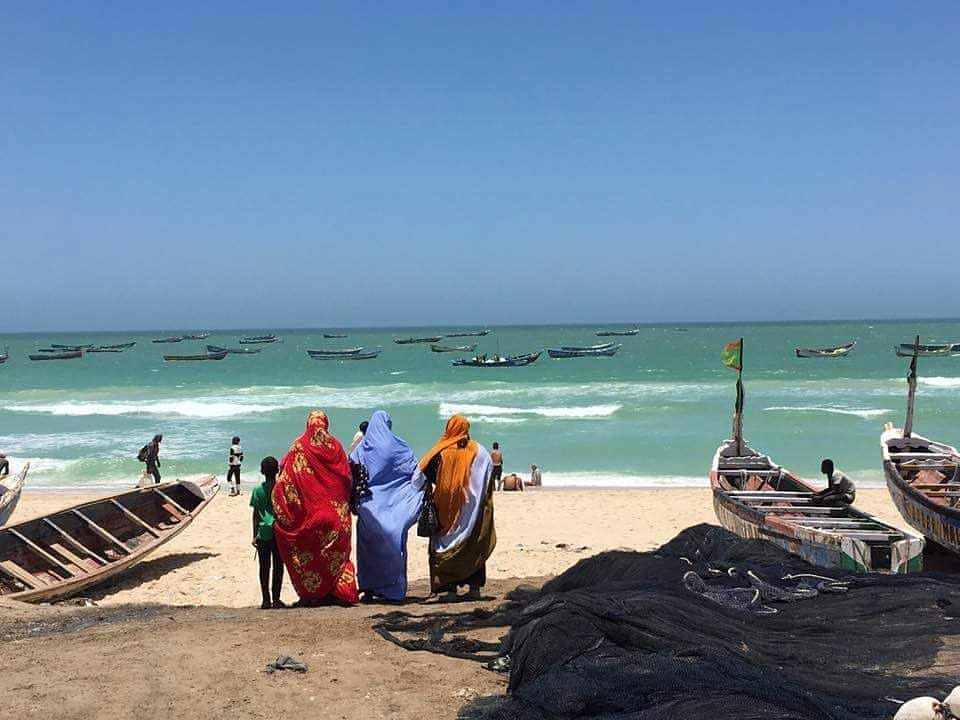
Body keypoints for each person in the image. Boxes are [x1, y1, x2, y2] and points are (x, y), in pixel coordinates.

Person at [271, 411, 359, 606]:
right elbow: (346, 478)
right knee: (338, 557)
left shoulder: (299, 446)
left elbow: (286, 484)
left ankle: (314, 594)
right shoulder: (335, 446)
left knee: (310, 556)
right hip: (337, 519)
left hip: (311, 517)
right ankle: (337, 592)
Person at [349, 410, 425, 601]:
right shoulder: (400, 446)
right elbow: (414, 472)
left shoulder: (361, 450)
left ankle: (368, 588)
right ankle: (393, 588)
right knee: (394, 546)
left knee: (367, 549)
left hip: (368, 508)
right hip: (395, 508)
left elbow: (352, 473)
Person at [419, 415, 496, 602]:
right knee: (473, 543)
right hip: (473, 508)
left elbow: (423, 475)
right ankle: (474, 588)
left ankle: (450, 590)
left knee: (444, 544)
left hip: (446, 508)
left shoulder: (440, 451)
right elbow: (488, 477)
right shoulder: (480, 451)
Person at [251, 456, 285, 609]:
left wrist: (254, 535)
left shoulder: (257, 490)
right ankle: (276, 599)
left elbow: (256, 514)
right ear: (277, 470)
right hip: (279, 532)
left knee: (264, 567)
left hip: (263, 533)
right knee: (278, 566)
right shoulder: (281, 488)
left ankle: (266, 600)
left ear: (262, 471)